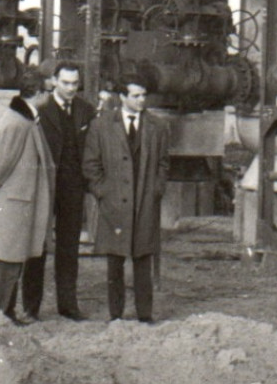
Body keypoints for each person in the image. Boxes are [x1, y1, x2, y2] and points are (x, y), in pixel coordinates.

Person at [82, 66, 170, 323]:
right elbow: (90, 164)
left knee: (143, 260)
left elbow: (164, 163)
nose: (141, 100)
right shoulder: (101, 126)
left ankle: (145, 315)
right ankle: (116, 315)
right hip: (114, 205)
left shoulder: (158, 127)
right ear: (122, 97)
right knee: (115, 262)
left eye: (144, 95)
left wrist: (156, 190)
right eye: (135, 96)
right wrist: (102, 193)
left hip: (144, 203)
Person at [0, 67, 54, 325]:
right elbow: (0, 165)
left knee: (12, 263)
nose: (50, 97)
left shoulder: (25, 119)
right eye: (48, 91)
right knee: (7, 265)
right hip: (12, 207)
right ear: (39, 93)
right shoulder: (17, 123)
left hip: (18, 205)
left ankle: (5, 314)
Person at [21, 60, 95, 321]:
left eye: (75, 83)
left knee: (69, 247)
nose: (71, 88)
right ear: (53, 81)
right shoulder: (38, 110)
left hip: (73, 188)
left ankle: (68, 305)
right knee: (37, 245)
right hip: (43, 186)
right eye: (65, 83)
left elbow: (91, 150)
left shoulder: (87, 111)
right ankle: (31, 306)